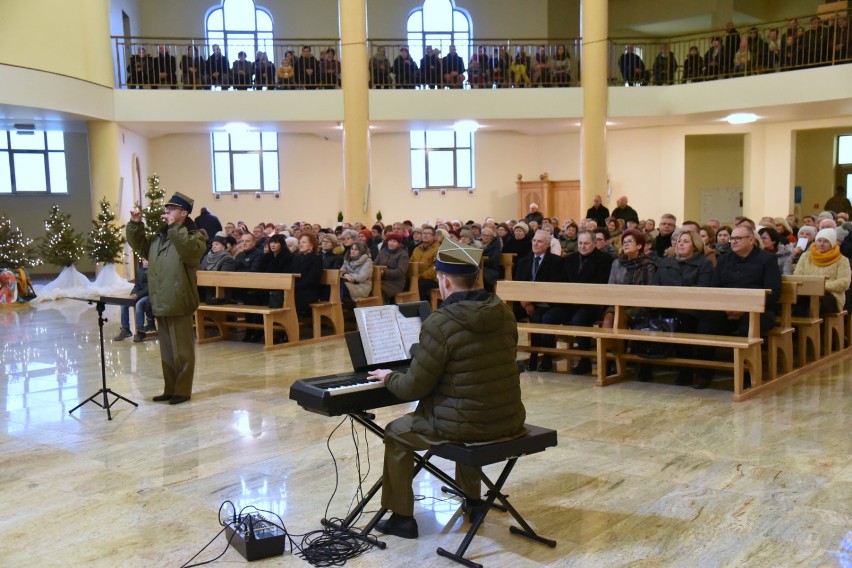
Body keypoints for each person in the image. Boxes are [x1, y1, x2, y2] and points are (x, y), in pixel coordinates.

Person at [368, 236, 526, 540]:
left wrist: (389, 377)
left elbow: (413, 387)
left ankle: (401, 518)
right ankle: (473, 502)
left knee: (396, 432)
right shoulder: (504, 311)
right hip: (507, 419)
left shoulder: (441, 322)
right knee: (466, 407)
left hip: (468, 427)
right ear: (476, 277)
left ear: (444, 281)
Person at [126, 192, 206, 405]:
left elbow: (189, 252)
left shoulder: (195, 237)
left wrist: (174, 227)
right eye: (167, 208)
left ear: (184, 213)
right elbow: (140, 246)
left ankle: (182, 390)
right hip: (161, 299)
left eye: (172, 209)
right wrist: (135, 225)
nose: (167, 211)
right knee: (167, 352)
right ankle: (170, 388)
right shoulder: (159, 237)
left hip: (179, 300)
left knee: (182, 351)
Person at [693, 225, 781, 389]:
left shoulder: (767, 260)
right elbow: (715, 287)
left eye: (738, 239)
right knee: (706, 324)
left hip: (758, 311)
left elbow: (774, 293)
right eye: (732, 238)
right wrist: (725, 307)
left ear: (751, 240)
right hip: (726, 309)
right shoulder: (725, 259)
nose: (733, 242)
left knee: (747, 328)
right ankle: (703, 373)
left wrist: (745, 309)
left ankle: (747, 375)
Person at [649, 230, 713, 384]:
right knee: (646, 317)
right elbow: (654, 286)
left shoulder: (704, 264)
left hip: (691, 308)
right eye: (679, 241)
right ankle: (645, 366)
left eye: (686, 241)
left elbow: (702, 290)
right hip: (665, 306)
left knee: (683, 321)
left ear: (696, 245)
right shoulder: (666, 263)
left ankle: (686, 370)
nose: (681, 243)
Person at [558, 230, 614, 375]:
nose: (582, 246)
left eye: (586, 243)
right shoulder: (570, 259)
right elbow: (563, 281)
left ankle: (585, 360)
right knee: (548, 317)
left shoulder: (605, 259)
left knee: (578, 319)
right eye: (580, 243)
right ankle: (545, 356)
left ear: (595, 244)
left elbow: (600, 283)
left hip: (593, 304)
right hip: (571, 302)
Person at [514, 230, 564, 372]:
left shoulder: (556, 261)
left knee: (542, 318)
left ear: (547, 244)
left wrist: (531, 301)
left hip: (549, 303)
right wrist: (526, 302)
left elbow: (551, 286)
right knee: (508, 315)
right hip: (527, 302)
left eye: (540, 241)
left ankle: (546, 357)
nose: (535, 244)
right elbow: (519, 283)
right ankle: (531, 356)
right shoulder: (524, 261)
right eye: (534, 240)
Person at [793, 228, 852, 315]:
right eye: (819, 241)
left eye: (826, 241)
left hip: (832, 296)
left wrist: (820, 286)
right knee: (798, 300)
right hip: (806, 293)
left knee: (815, 300)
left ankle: (813, 327)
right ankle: (798, 326)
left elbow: (844, 283)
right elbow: (797, 276)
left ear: (832, 243)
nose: (821, 244)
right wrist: (812, 287)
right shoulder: (805, 256)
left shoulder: (842, 260)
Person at [113, 259, 155, 342]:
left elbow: (151, 287)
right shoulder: (140, 271)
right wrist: (132, 294)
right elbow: (137, 285)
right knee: (124, 304)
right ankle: (126, 329)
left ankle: (140, 331)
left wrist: (138, 295)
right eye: (144, 260)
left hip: (149, 295)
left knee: (139, 304)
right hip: (140, 294)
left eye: (147, 260)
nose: (146, 262)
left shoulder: (153, 270)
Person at [375, 233, 409, 303]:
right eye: (390, 241)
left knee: (379, 291)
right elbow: (374, 264)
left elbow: (400, 271)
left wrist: (384, 272)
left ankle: (384, 310)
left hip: (395, 282)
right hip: (380, 280)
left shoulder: (403, 254)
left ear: (399, 244)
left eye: (394, 241)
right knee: (370, 288)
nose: (391, 243)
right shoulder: (382, 251)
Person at [410, 226, 440, 301]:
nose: (425, 235)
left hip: (433, 279)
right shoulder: (417, 249)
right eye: (424, 233)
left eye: (428, 233)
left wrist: (420, 276)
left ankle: (425, 310)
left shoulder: (438, 249)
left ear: (434, 236)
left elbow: (435, 267)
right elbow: (410, 263)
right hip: (416, 277)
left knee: (422, 285)